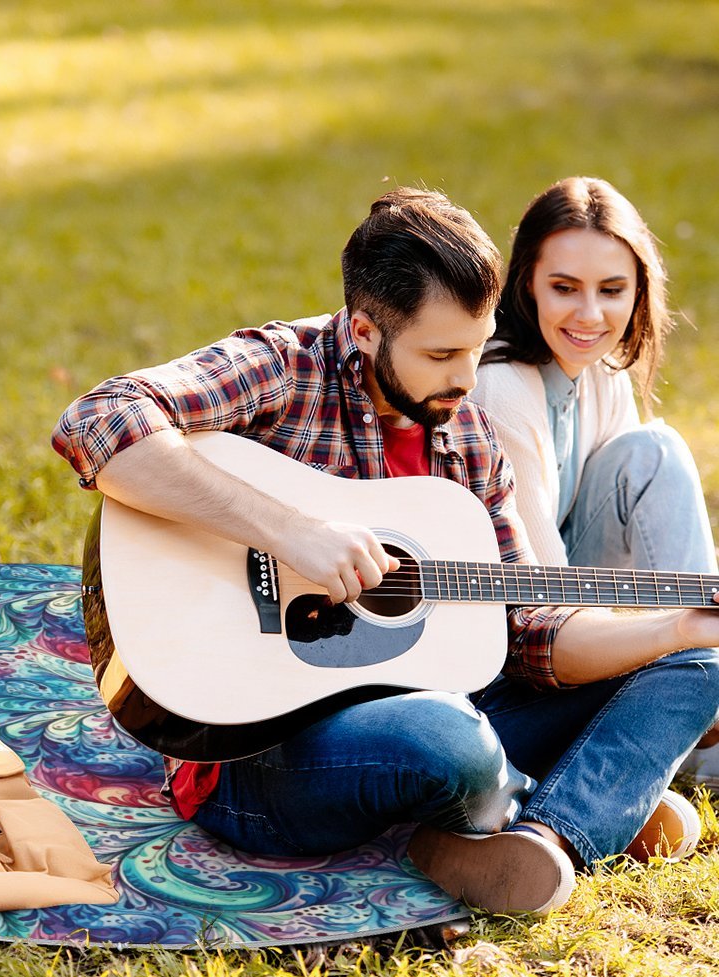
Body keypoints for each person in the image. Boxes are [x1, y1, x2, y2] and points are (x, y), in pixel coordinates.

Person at [52, 187, 719, 917]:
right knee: (447, 741)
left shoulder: (466, 435)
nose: (467, 380)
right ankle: (581, 797)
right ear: (365, 330)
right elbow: (99, 419)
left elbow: (529, 629)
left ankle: (549, 838)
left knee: (697, 665)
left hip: (445, 708)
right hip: (257, 754)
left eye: (476, 346)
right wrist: (288, 530)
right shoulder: (283, 367)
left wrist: (675, 628)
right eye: (441, 354)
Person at [472, 176, 719, 787]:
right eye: (564, 288)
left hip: (576, 613)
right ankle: (697, 728)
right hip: (512, 647)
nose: (590, 315)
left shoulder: (600, 369)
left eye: (612, 290)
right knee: (656, 450)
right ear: (526, 281)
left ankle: (698, 695)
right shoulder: (502, 386)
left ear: (639, 291)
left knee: (650, 451)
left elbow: (639, 550)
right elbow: (542, 603)